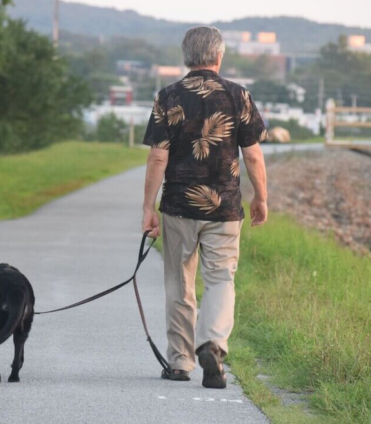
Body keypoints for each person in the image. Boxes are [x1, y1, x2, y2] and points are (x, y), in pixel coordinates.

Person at [141, 26, 268, 389]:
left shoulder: (168, 96)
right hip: (225, 207)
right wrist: (261, 197)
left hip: (179, 206)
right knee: (221, 279)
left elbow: (156, 158)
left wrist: (148, 208)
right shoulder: (237, 95)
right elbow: (254, 155)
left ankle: (180, 362)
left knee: (179, 282)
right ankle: (212, 343)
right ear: (219, 56)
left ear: (186, 57)